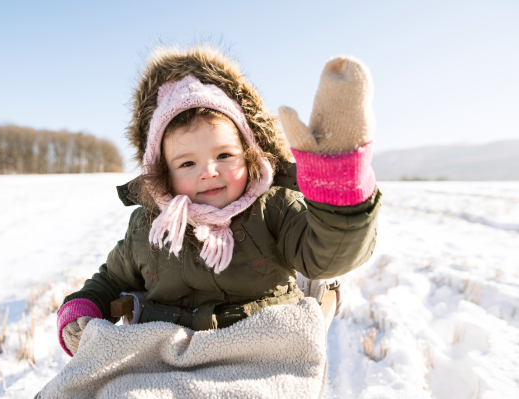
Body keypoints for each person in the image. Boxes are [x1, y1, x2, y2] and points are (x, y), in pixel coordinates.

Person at [57, 45, 381, 357]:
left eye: (224, 155)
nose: (208, 172)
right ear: (162, 174)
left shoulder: (274, 208)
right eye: (187, 163)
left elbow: (328, 256)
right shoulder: (149, 227)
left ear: (250, 156)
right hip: (165, 360)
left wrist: (339, 196)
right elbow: (112, 278)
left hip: (261, 352)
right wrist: (83, 307)